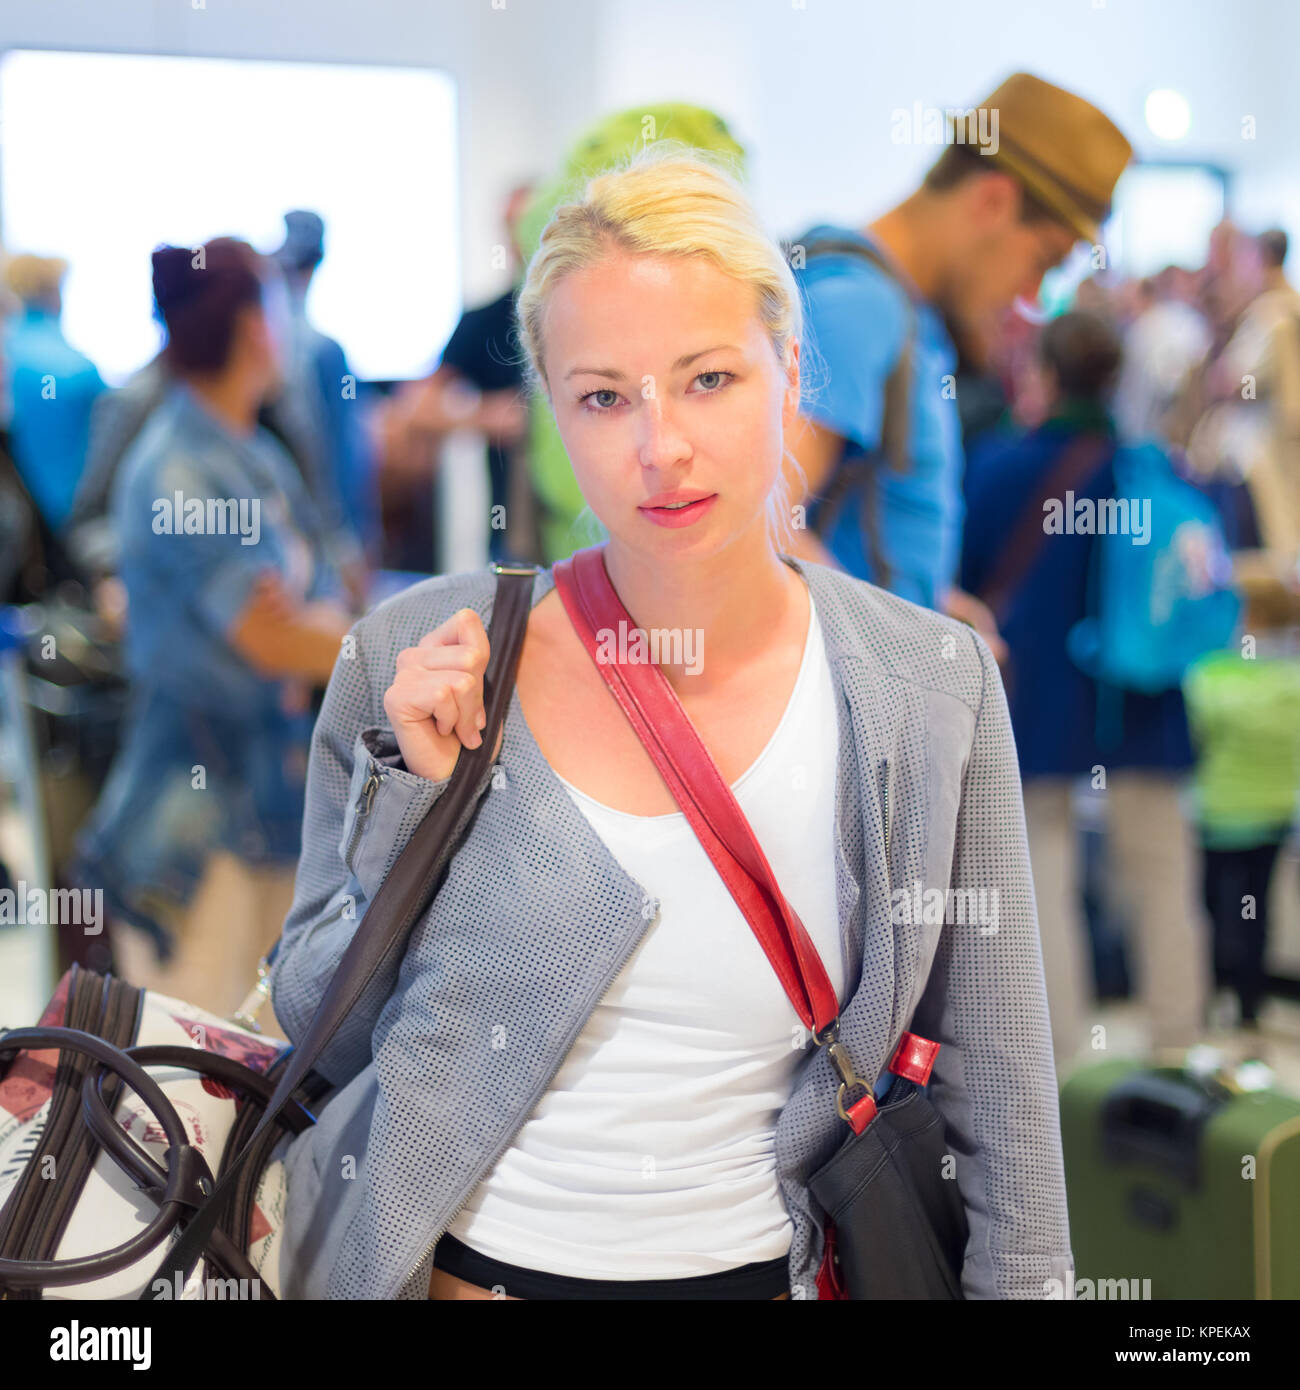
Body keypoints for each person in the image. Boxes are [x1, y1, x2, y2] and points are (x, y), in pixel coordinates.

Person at [269, 145, 1070, 1302]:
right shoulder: (424, 657)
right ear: (553, 411)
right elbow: (318, 1029)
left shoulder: (925, 681)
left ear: (790, 373)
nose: (661, 448)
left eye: (707, 379)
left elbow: (998, 1086)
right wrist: (412, 806)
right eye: (604, 396)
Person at [73, 238, 354, 1019]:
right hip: (196, 826)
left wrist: (320, 627)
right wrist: (345, 635)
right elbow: (274, 640)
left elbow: (318, 605)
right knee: (193, 1087)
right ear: (250, 325)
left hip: (273, 802)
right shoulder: (177, 470)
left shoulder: (253, 452)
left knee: (264, 1065)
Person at [784, 72, 1132, 653]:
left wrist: (934, 610)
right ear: (994, 201)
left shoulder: (901, 309)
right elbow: (761, 526)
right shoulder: (859, 305)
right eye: (1044, 261)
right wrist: (913, 652)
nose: (1029, 293)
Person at [961, 310, 1209, 1065]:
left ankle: (1061, 1067)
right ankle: (1180, 1052)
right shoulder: (1151, 468)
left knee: (1043, 875)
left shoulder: (1002, 467)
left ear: (1046, 372)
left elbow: (966, 585)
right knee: (1163, 873)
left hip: (1040, 704)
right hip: (1142, 698)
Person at [272, 210, 376, 582]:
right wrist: (353, 543)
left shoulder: (274, 348)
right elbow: (343, 462)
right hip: (318, 541)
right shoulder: (322, 352)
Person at [0, 253, 106, 531]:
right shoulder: (80, 368)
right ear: (54, 294)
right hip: (71, 523)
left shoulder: (8, 358)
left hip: (18, 524)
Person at [1218, 229, 1300, 567]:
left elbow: (1239, 381)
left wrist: (1229, 382)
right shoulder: (1293, 302)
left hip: (1266, 441)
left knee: (1277, 535)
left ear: (1258, 257)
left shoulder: (1268, 313)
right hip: (1289, 431)